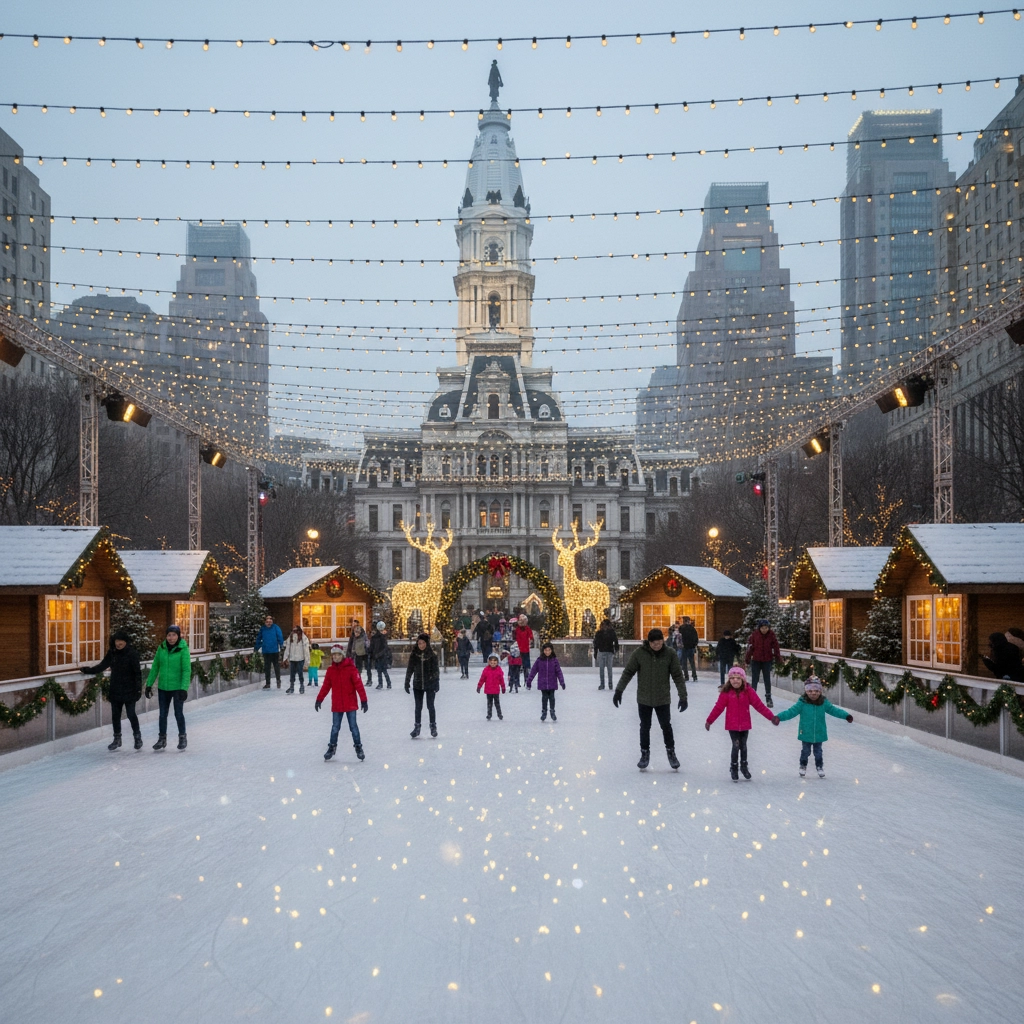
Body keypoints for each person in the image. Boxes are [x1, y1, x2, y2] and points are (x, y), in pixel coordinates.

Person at [613, 628, 687, 771]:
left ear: (662, 641)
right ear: (649, 642)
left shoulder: (670, 654)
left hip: (662, 698)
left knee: (666, 726)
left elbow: (678, 676)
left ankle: (671, 753)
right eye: (654, 644)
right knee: (645, 727)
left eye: (659, 643)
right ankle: (644, 754)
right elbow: (628, 672)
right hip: (644, 698)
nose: (657, 646)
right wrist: (619, 691)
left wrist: (683, 696)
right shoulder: (639, 654)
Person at [704, 666, 779, 782]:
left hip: (744, 725)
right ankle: (733, 767)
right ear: (729, 680)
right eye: (732, 678)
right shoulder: (726, 693)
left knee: (743, 746)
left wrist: (771, 717)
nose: (735, 681)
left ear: (743, 680)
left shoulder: (748, 691)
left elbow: (759, 706)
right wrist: (709, 721)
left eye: (738, 678)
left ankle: (743, 766)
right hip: (732, 725)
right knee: (736, 745)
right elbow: (718, 708)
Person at [776, 676, 853, 778]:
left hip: (819, 732)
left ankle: (819, 766)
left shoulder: (823, 703)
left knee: (818, 752)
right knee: (805, 751)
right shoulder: (802, 703)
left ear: (820, 691)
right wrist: (779, 717)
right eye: (810, 691)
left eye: (816, 691)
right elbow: (791, 712)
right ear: (806, 691)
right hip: (806, 732)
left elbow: (834, 710)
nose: (813, 693)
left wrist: (846, 715)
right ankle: (803, 765)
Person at [82, 628, 143, 751]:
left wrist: (138, 690)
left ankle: (137, 737)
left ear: (126, 642)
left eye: (121, 641)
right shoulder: (112, 653)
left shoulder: (132, 654)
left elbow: (137, 673)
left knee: (131, 714)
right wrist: (89, 670)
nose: (118, 643)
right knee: (115, 715)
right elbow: (103, 665)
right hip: (115, 688)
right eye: (116, 641)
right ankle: (117, 739)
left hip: (129, 689)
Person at [315, 644, 368, 761]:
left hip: (350, 703)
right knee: (335, 728)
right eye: (334, 655)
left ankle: (358, 747)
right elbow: (326, 687)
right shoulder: (330, 671)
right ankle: (332, 747)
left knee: (353, 727)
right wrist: (319, 699)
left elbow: (359, 685)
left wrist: (364, 700)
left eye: (338, 654)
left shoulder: (351, 669)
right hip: (337, 704)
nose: (336, 657)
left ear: (342, 655)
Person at [146, 625, 192, 751]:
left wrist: (184, 688)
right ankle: (162, 739)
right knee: (162, 715)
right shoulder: (161, 648)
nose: (171, 638)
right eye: (169, 635)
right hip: (163, 688)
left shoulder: (183, 649)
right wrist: (149, 684)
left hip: (177, 688)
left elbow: (186, 670)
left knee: (178, 713)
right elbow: (155, 666)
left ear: (178, 636)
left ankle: (182, 737)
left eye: (174, 635)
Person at [405, 632, 440, 738]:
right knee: (418, 707)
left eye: (423, 643)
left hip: (430, 684)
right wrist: (407, 681)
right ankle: (417, 727)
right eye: (419, 643)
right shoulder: (414, 654)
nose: (421, 645)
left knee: (430, 706)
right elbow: (410, 668)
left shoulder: (432, 655)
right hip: (418, 684)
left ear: (426, 643)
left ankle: (433, 726)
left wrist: (436, 682)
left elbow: (436, 670)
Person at [745, 618, 781, 709]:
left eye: (766, 628)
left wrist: (778, 658)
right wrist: (747, 659)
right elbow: (750, 648)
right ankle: (752, 697)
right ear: (759, 628)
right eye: (762, 628)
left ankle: (768, 697)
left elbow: (776, 647)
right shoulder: (754, 635)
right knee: (755, 679)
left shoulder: (771, 635)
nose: (764, 629)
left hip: (767, 660)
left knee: (767, 679)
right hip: (756, 660)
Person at [526, 641, 566, 722]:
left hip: (552, 682)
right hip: (543, 683)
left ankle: (552, 711)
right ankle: (544, 711)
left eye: (549, 650)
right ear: (543, 651)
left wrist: (562, 682)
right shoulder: (539, 660)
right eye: (545, 650)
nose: (547, 652)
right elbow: (533, 671)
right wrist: (529, 681)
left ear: (551, 651)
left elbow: (559, 671)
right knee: (544, 698)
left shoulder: (554, 660)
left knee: (552, 697)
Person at [255, 614, 284, 689]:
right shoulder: (263, 629)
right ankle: (268, 683)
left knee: (276, 666)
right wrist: (257, 647)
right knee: (267, 668)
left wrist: (281, 645)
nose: (268, 623)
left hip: (274, 651)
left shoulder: (276, 628)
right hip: (266, 651)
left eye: (270, 621)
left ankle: (278, 681)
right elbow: (259, 638)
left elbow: (280, 637)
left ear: (272, 621)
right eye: (267, 621)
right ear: (265, 622)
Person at [477, 653, 506, 720]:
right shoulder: (486, 670)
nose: (493, 663)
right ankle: (489, 714)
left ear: (497, 662)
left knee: (497, 703)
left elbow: (501, 680)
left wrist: (503, 687)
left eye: (494, 662)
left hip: (496, 690)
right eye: (491, 662)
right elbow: (482, 679)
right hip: (489, 690)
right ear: (489, 662)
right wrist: (479, 686)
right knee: (489, 703)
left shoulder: (499, 670)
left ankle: (499, 714)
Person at [593, 618, 620, 690]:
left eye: (606, 625)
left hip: (609, 652)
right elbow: (595, 643)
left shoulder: (611, 632)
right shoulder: (599, 633)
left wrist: (616, 648)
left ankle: (609, 684)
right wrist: (595, 652)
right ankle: (603, 684)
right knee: (603, 669)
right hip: (603, 652)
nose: (605, 627)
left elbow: (616, 641)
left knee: (609, 669)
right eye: (604, 625)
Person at [284, 625, 311, 694]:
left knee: (300, 673)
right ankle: (292, 686)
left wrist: (307, 660)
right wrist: (285, 658)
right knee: (292, 674)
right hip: (292, 659)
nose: (295, 632)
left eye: (296, 630)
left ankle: (302, 686)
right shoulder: (290, 638)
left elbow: (306, 650)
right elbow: (287, 648)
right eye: (294, 631)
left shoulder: (303, 638)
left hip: (300, 659)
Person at [369, 621, 393, 689]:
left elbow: (385, 647)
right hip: (378, 656)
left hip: (382, 657)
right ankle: (382, 684)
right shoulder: (375, 638)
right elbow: (372, 647)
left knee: (383, 671)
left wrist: (378, 654)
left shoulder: (381, 637)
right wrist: (372, 654)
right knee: (380, 671)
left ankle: (387, 683)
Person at [678, 616, 700, 681]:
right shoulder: (692, 629)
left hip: (684, 647)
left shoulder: (681, 628)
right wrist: (694, 645)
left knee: (684, 663)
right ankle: (694, 676)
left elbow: (679, 638)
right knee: (692, 662)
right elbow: (696, 638)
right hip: (691, 647)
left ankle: (686, 676)